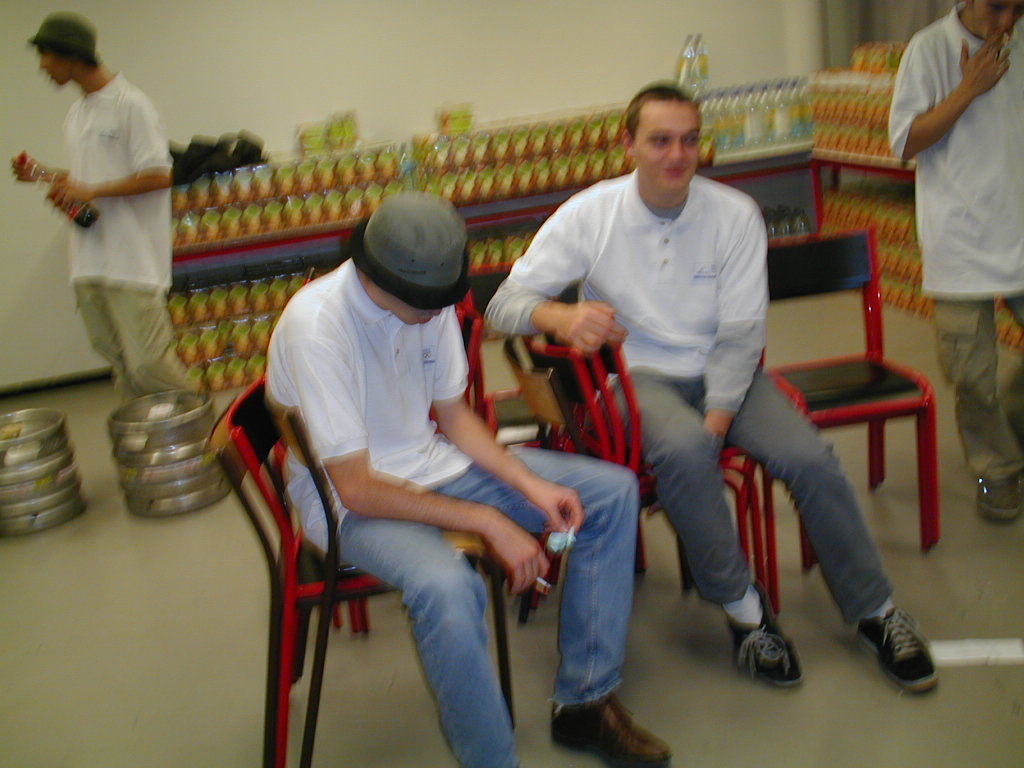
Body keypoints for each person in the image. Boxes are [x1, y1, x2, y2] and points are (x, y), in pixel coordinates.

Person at [486, 81, 938, 693]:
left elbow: (742, 333)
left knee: (811, 459)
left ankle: (875, 612)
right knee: (683, 450)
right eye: (660, 141)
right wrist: (559, 316)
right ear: (628, 145)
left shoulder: (734, 214)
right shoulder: (590, 214)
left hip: (728, 371)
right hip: (636, 376)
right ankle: (746, 614)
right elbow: (503, 304)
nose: (677, 155)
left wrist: (720, 414)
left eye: (690, 140)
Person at [266, 192, 671, 768]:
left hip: (427, 463)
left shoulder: (425, 302)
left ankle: (586, 699)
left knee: (610, 493)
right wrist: (488, 520)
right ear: (378, 278)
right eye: (426, 305)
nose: (437, 315)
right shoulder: (317, 326)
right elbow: (355, 486)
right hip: (345, 503)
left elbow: (454, 417)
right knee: (448, 588)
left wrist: (530, 486)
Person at [889, 0, 1024, 522]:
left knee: (994, 385)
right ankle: (997, 470)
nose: (1006, 23)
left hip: (1018, 227)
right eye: (997, 7)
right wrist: (968, 89)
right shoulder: (929, 49)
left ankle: (1012, 425)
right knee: (971, 375)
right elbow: (904, 141)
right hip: (960, 243)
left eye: (1019, 9)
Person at [11, 12, 191, 401]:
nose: (42, 67)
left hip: (133, 262)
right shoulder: (77, 113)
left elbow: (160, 175)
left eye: (46, 55)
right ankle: (145, 434)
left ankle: (201, 430)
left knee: (149, 365)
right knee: (120, 363)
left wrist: (91, 190)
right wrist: (42, 174)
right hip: (89, 262)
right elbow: (86, 180)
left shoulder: (132, 105)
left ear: (71, 54)